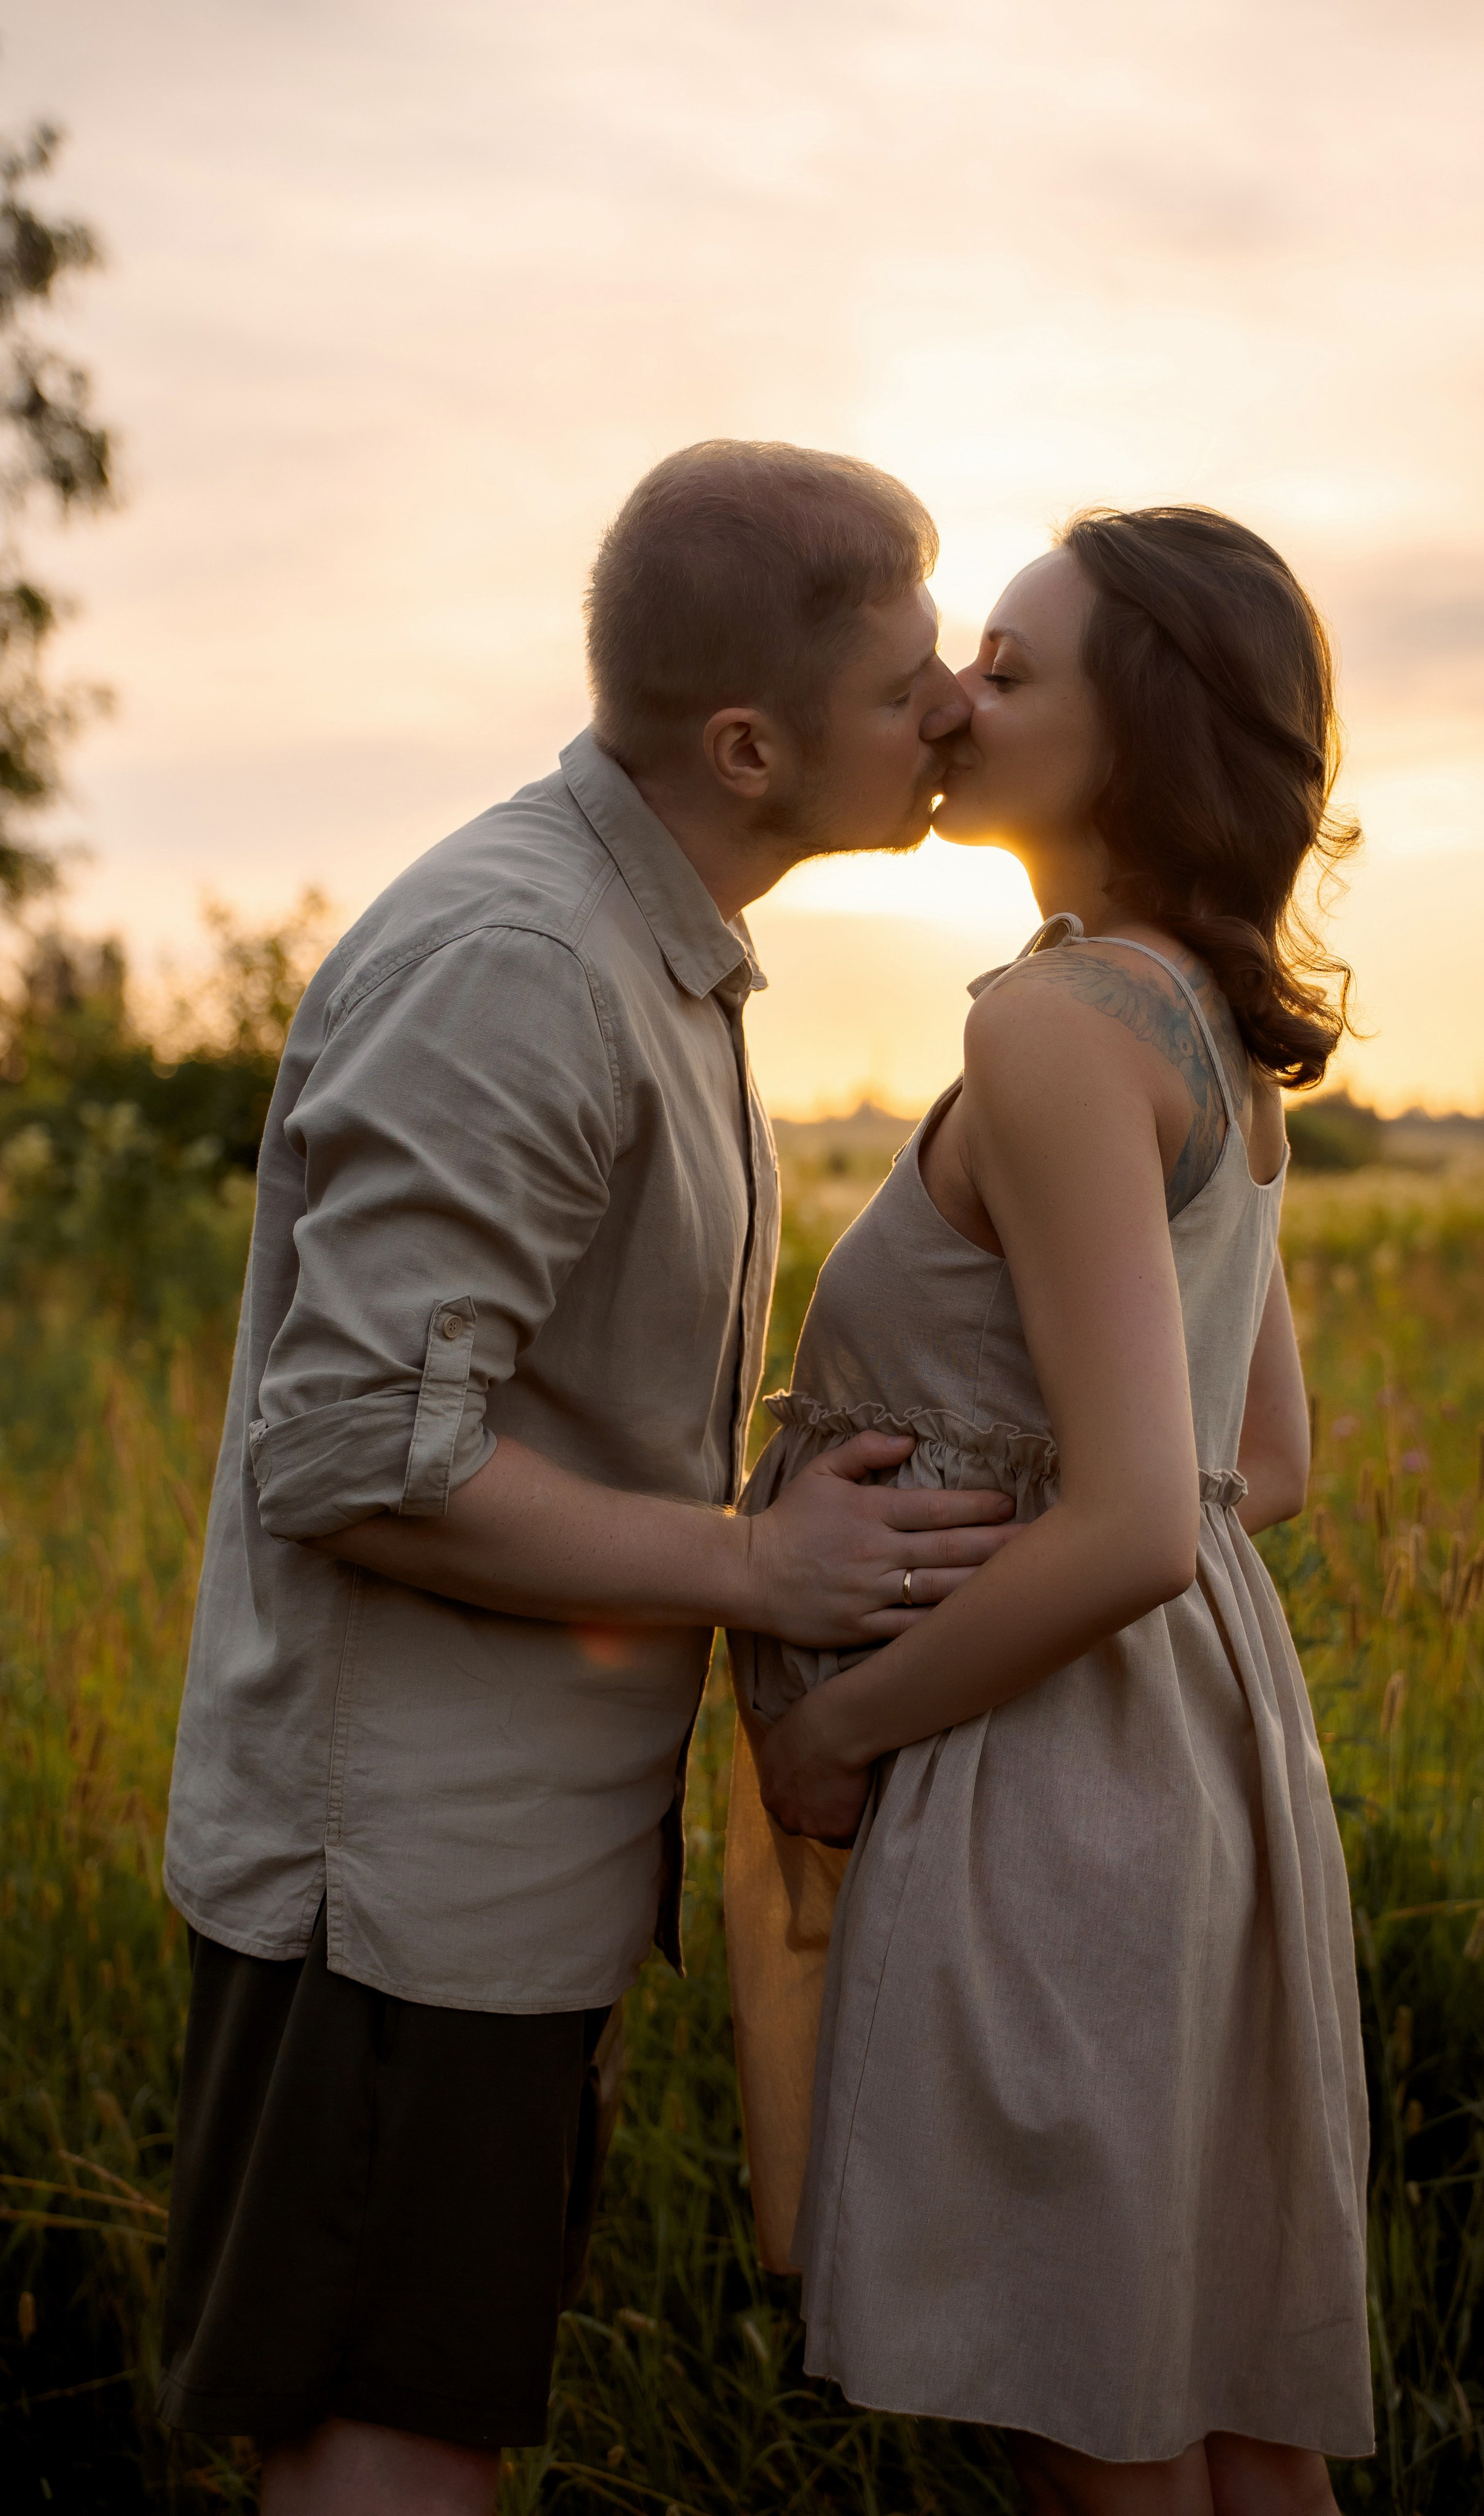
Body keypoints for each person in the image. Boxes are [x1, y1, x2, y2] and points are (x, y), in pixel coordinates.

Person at [155, 440, 1022, 2516]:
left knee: (427, 2403)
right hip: (396, 1894)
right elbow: (358, 1457)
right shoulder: (523, 964)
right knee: (390, 2430)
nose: (951, 711)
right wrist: (760, 1565)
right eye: (907, 676)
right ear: (746, 741)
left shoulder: (650, 943)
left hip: (495, 1875)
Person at [727, 506, 1374, 2515]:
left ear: (1141, 730)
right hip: (1190, 1756)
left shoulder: (1060, 1028)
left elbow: (1140, 1526)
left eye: (1014, 667)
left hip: (1047, 1786)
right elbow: (1248, 1466)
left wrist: (830, 1729)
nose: (956, 695)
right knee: (1219, 2406)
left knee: (1097, 2423)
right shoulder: (1203, 1029)